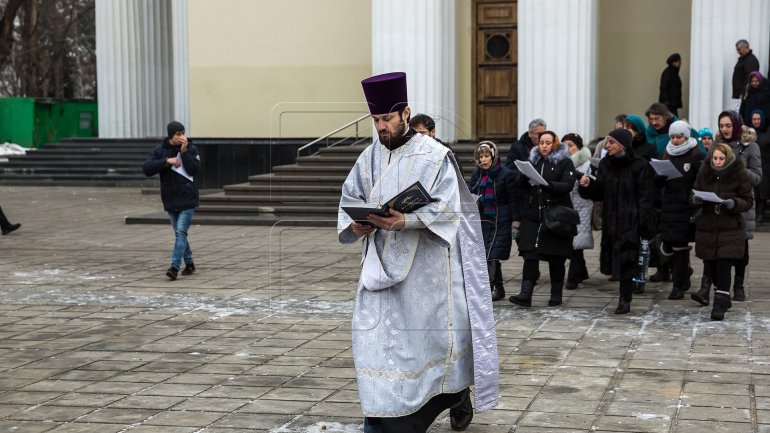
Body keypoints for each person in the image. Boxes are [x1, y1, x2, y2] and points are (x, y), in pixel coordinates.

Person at [337, 72, 498, 433]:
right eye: (375, 120)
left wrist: (405, 222)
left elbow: (451, 209)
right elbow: (350, 198)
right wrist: (357, 225)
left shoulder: (435, 155)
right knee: (378, 342)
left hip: (426, 273)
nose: (381, 127)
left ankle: (449, 397)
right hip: (379, 268)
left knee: (424, 344)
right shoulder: (369, 157)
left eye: (387, 119)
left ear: (405, 113)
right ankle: (381, 418)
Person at [579, 128, 656, 314]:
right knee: (616, 260)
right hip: (611, 220)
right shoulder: (606, 164)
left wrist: (644, 224)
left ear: (622, 145)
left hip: (631, 222)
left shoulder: (639, 166)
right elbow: (601, 192)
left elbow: (646, 198)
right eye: (608, 142)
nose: (608, 146)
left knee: (628, 260)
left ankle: (625, 298)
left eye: (612, 142)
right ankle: (624, 295)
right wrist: (589, 185)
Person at [509, 131, 576, 308]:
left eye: (548, 142)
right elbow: (519, 185)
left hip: (555, 216)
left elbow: (568, 184)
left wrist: (548, 185)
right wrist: (523, 176)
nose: (544, 146)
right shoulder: (533, 161)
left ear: (555, 144)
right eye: (541, 142)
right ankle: (525, 294)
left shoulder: (565, 161)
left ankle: (556, 294)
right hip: (533, 215)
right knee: (529, 254)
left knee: (556, 257)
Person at [690, 143, 753, 320]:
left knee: (724, 264)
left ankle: (719, 303)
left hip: (730, 227)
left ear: (728, 159)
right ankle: (724, 298)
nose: (717, 162)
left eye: (721, 158)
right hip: (708, 226)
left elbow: (747, 200)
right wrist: (695, 198)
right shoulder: (705, 171)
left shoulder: (738, 173)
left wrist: (734, 203)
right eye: (715, 158)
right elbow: (694, 193)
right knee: (712, 264)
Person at [142, 121, 201, 280]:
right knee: (179, 234)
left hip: (188, 199)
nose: (182, 136)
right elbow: (147, 168)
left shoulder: (191, 148)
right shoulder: (160, 151)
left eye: (183, 133)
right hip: (170, 199)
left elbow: (194, 169)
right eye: (178, 134)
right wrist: (167, 161)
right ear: (171, 135)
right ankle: (189, 263)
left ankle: (174, 267)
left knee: (181, 232)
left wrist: (184, 152)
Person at [716, 110, 761, 302]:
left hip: (742, 203)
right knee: (718, 245)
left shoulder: (751, 147)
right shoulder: (718, 145)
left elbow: (757, 178)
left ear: (736, 125)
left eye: (728, 125)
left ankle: (739, 284)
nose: (725, 129)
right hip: (721, 201)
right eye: (721, 126)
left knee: (741, 246)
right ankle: (718, 286)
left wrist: (739, 166)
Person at [654, 120, 702, 300]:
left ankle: (678, 285)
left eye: (678, 137)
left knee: (680, 247)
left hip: (685, 207)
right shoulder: (667, 154)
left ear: (686, 137)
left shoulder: (695, 157)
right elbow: (657, 182)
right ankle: (684, 273)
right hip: (669, 206)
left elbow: (700, 181)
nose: (674, 141)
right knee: (668, 246)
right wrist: (659, 176)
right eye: (672, 137)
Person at [468, 141, 517, 301]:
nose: (483, 160)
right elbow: (471, 193)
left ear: (493, 156)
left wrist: (516, 221)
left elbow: (513, 199)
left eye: (486, 155)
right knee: (488, 255)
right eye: (480, 156)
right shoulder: (477, 174)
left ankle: (487, 290)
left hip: (501, 218)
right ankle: (499, 288)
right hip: (483, 219)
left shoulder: (505, 174)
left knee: (492, 254)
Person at [562, 133, 593, 290]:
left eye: (571, 145)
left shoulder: (586, 164)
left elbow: (592, 183)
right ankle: (582, 271)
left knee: (576, 243)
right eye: (565, 145)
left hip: (582, 207)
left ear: (579, 147)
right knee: (573, 243)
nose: (568, 149)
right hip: (567, 207)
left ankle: (573, 278)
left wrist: (586, 181)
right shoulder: (562, 163)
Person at [751, 109, 770, 223]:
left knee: (763, 190)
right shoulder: (749, 132)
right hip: (753, 166)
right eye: (754, 119)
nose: (756, 121)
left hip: (766, 165)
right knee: (755, 190)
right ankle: (755, 213)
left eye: (758, 119)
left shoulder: (767, 131)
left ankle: (761, 213)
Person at [732, 39, 761, 109]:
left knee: (740, 115)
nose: (738, 52)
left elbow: (749, 78)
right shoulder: (744, 59)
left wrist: (743, 93)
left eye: (739, 49)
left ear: (746, 48)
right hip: (739, 95)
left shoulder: (750, 60)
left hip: (743, 96)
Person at [659, 53, 683, 117]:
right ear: (674, 62)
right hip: (669, 104)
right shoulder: (670, 72)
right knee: (671, 120)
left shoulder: (672, 72)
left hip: (671, 103)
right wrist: (666, 102)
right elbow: (664, 87)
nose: (680, 63)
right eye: (679, 61)